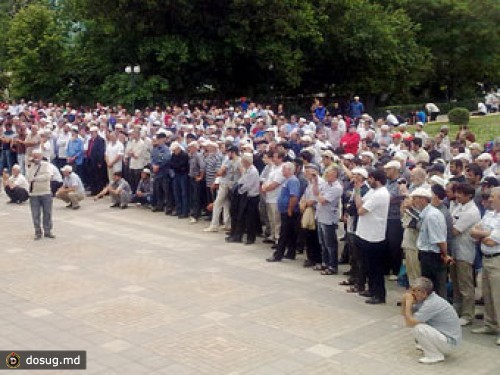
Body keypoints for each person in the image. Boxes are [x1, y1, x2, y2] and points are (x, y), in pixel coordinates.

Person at [401, 277, 461, 364]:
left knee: (418, 328)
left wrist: (408, 303)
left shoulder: (431, 303)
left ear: (424, 293)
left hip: (450, 342)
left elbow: (409, 323)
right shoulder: (424, 300)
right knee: (417, 324)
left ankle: (434, 355)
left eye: (414, 291)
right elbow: (405, 315)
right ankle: (430, 348)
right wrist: (404, 302)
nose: (412, 294)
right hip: (444, 337)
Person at [354, 169, 390, 304]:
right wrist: (357, 190)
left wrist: (360, 206)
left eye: (370, 178)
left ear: (376, 179)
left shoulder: (381, 194)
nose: (368, 181)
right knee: (368, 265)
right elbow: (359, 204)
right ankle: (372, 289)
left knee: (376, 268)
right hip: (364, 232)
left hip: (374, 235)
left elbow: (361, 211)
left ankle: (379, 294)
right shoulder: (372, 191)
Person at [470, 187, 500, 346]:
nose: (489, 199)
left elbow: (493, 240)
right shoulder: (489, 214)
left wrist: (483, 235)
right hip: (486, 258)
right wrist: (485, 235)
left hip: (497, 260)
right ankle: (490, 324)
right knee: (487, 294)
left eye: (493, 196)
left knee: (498, 296)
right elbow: (473, 231)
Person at [411, 187, 453, 298]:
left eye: (416, 199)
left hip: (433, 256)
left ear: (423, 200)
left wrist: (445, 254)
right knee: (428, 286)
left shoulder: (432, 216)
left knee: (435, 287)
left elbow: (440, 240)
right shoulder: (426, 213)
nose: (414, 202)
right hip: (427, 254)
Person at [449, 183, 481, 326]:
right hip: (454, 252)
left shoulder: (471, 212)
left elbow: (454, 230)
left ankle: (468, 315)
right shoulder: (458, 207)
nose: (457, 196)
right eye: (457, 193)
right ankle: (457, 309)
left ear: (469, 196)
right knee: (455, 283)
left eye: (460, 194)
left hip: (464, 253)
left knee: (465, 285)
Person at [267, 162, 301, 262]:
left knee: (284, 233)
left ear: (289, 170)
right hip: (284, 210)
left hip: (288, 211)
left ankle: (278, 255)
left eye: (284, 169)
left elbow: (294, 196)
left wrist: (290, 209)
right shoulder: (287, 180)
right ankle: (291, 252)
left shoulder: (292, 180)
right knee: (290, 233)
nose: (282, 171)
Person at [313, 165, 343, 275]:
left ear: (335, 174)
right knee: (323, 243)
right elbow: (316, 193)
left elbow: (323, 200)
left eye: (328, 173)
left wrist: (319, 195)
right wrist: (315, 182)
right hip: (321, 216)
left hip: (329, 218)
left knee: (330, 244)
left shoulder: (337, 187)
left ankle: (332, 266)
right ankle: (325, 262)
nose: (326, 175)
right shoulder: (326, 184)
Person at [26, 149, 54, 240]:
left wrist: (35, 178)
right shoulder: (30, 166)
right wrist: (30, 165)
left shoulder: (47, 165)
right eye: (34, 156)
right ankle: (37, 231)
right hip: (34, 193)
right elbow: (28, 177)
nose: (35, 158)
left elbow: (48, 176)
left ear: (41, 156)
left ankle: (47, 231)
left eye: (37, 156)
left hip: (45, 192)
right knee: (35, 214)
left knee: (47, 213)